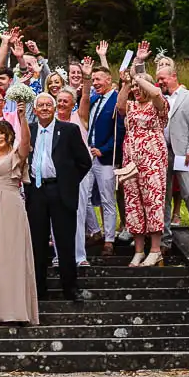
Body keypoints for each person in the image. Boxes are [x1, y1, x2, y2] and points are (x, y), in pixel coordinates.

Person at [26, 93, 93, 300]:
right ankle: (38, 289)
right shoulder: (30, 130)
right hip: (36, 191)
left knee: (64, 241)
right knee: (37, 242)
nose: (45, 108)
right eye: (41, 106)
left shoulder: (69, 130)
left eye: (49, 105)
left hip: (60, 190)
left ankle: (70, 288)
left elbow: (85, 162)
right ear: (35, 110)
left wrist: (68, 181)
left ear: (54, 109)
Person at [0, 107, 38, 324]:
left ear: (9, 134)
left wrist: (23, 118)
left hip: (11, 204)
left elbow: (25, 143)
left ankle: (16, 310)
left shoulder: (16, 155)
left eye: (0, 133)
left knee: (11, 254)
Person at [117, 54, 171, 266]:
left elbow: (156, 92)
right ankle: (139, 250)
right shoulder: (131, 107)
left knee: (153, 202)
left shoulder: (158, 106)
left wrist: (138, 76)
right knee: (133, 203)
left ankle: (155, 249)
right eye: (135, 88)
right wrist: (126, 83)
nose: (137, 91)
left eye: (140, 87)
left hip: (153, 160)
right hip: (131, 160)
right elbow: (120, 105)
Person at [156, 59, 189, 253]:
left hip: (183, 153)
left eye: (162, 78)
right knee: (164, 196)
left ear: (173, 76)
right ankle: (164, 239)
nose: (160, 82)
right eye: (158, 79)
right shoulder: (158, 98)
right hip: (161, 153)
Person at [75, 59, 124, 262]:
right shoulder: (94, 99)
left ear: (108, 79)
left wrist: (104, 150)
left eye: (98, 79)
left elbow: (119, 130)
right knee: (84, 196)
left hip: (105, 157)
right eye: (93, 79)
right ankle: (95, 231)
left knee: (107, 199)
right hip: (89, 155)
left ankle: (109, 240)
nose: (95, 82)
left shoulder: (115, 100)